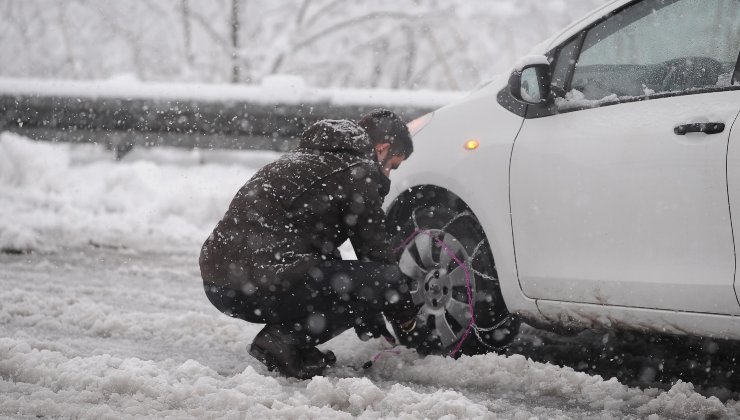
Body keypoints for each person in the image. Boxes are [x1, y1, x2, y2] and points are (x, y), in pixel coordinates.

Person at [199, 109, 418, 379]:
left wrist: (369, 310)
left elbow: (321, 253)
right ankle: (282, 341)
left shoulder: (312, 158)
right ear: (382, 149)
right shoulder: (359, 172)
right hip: (261, 279)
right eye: (392, 165)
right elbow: (378, 260)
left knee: (350, 279)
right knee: (384, 280)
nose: (388, 173)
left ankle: (291, 346)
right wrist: (408, 320)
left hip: (221, 283)